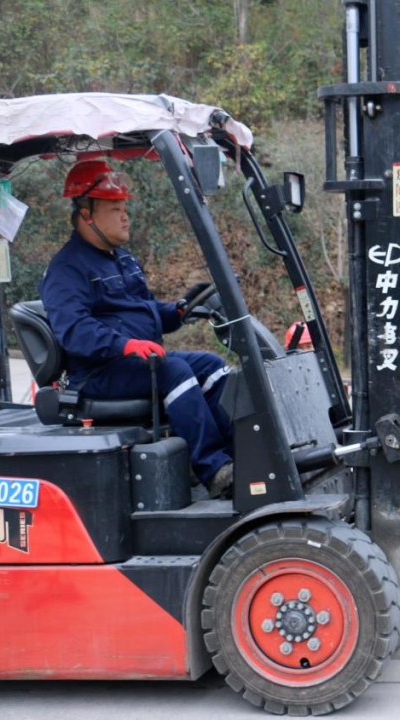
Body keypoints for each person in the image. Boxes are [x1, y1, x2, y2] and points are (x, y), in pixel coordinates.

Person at [40, 159, 234, 498]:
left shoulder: (122, 259)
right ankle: (213, 468)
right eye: (115, 208)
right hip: (97, 373)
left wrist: (179, 311)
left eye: (124, 207)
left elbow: (144, 311)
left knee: (212, 366)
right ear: (86, 214)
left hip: (135, 361)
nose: (125, 215)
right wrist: (124, 345)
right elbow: (74, 331)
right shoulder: (67, 269)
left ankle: (239, 456)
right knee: (174, 370)